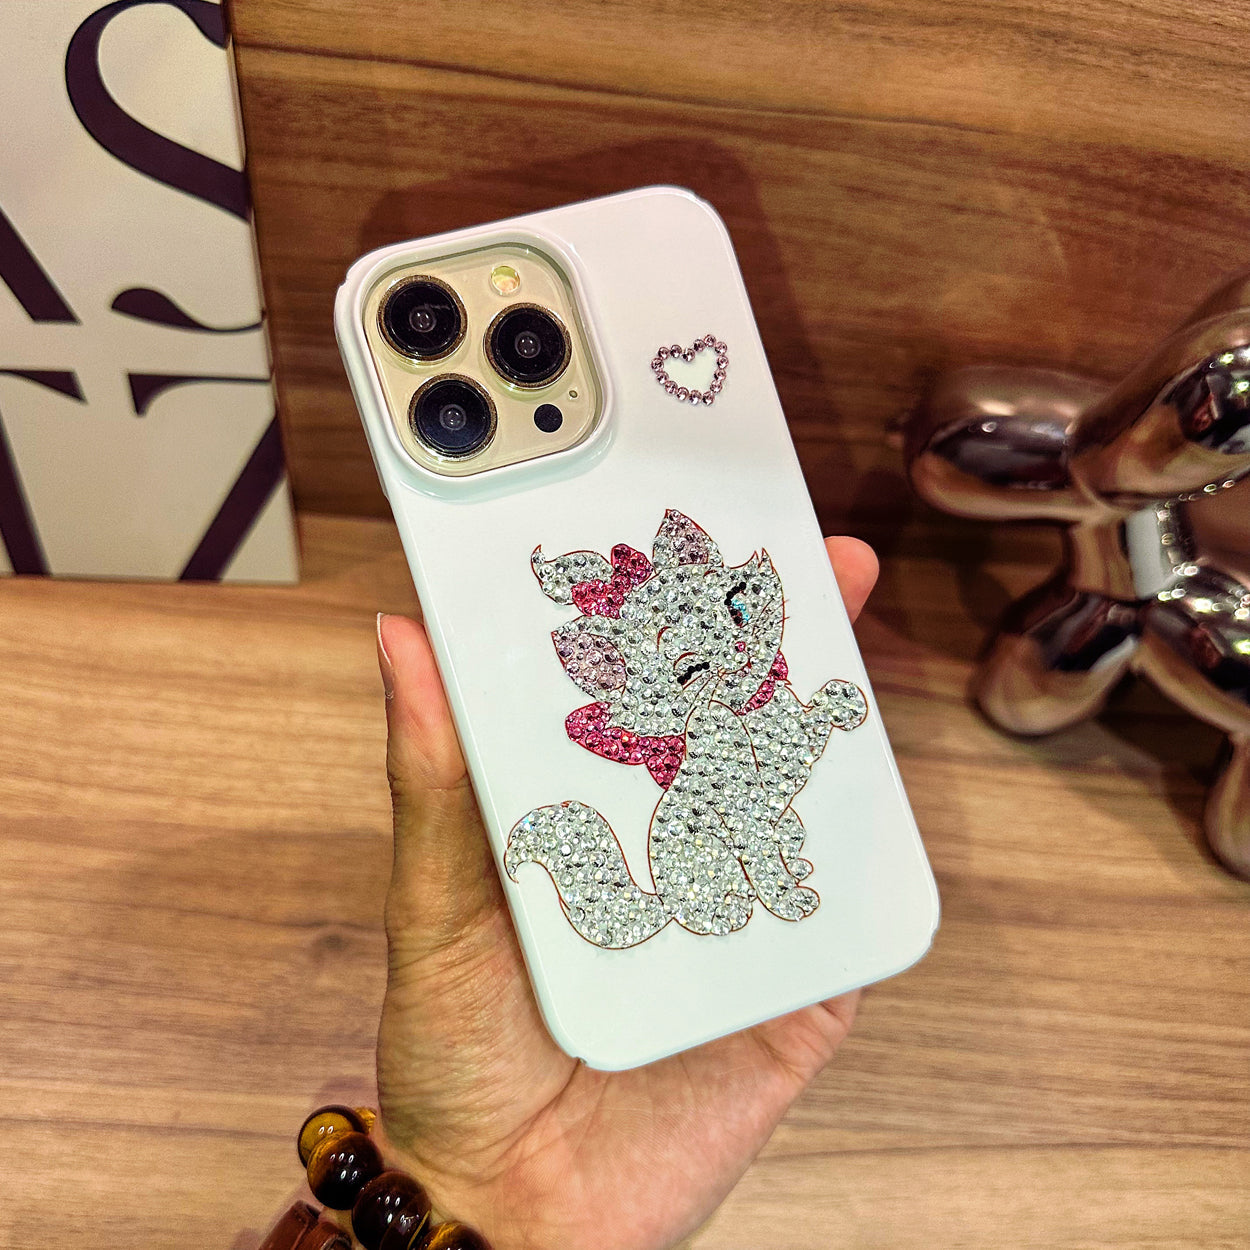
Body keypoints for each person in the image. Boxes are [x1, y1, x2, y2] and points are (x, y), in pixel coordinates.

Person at [372, 537, 880, 1250]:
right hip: (710, 878)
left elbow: (779, 772)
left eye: (737, 610)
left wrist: (818, 715)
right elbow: (748, 813)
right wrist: (468, 1178)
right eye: (693, 665)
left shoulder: (749, 709)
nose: (735, 653)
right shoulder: (713, 730)